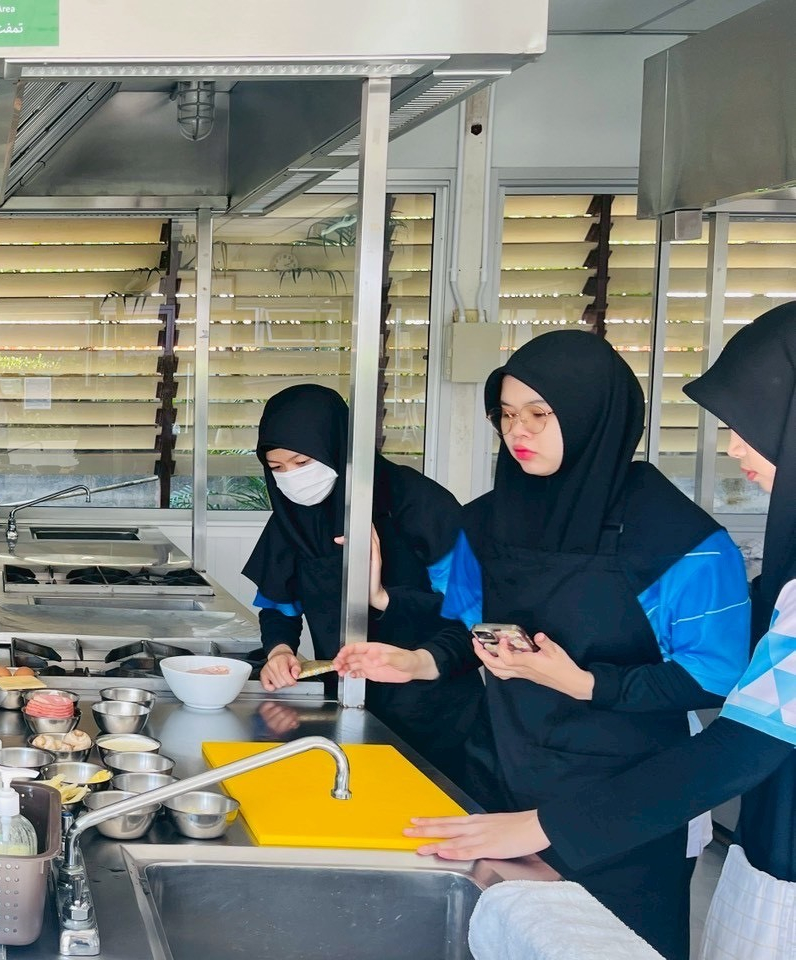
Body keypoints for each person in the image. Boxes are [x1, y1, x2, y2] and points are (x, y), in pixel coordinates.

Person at [334, 330, 752, 958]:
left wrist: (582, 683)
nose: (517, 432)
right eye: (506, 415)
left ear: (592, 415)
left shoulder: (681, 541)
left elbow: (714, 677)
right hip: (498, 774)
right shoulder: (483, 520)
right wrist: (418, 660)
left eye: (539, 414)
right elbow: (469, 627)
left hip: (623, 804)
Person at [243, 384, 484, 787]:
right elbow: (279, 605)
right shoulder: (292, 518)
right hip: (348, 704)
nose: (292, 478)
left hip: (436, 715)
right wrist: (280, 650)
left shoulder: (418, 503)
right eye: (277, 467)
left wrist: (381, 598)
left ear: (337, 447)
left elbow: (473, 617)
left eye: (302, 461)